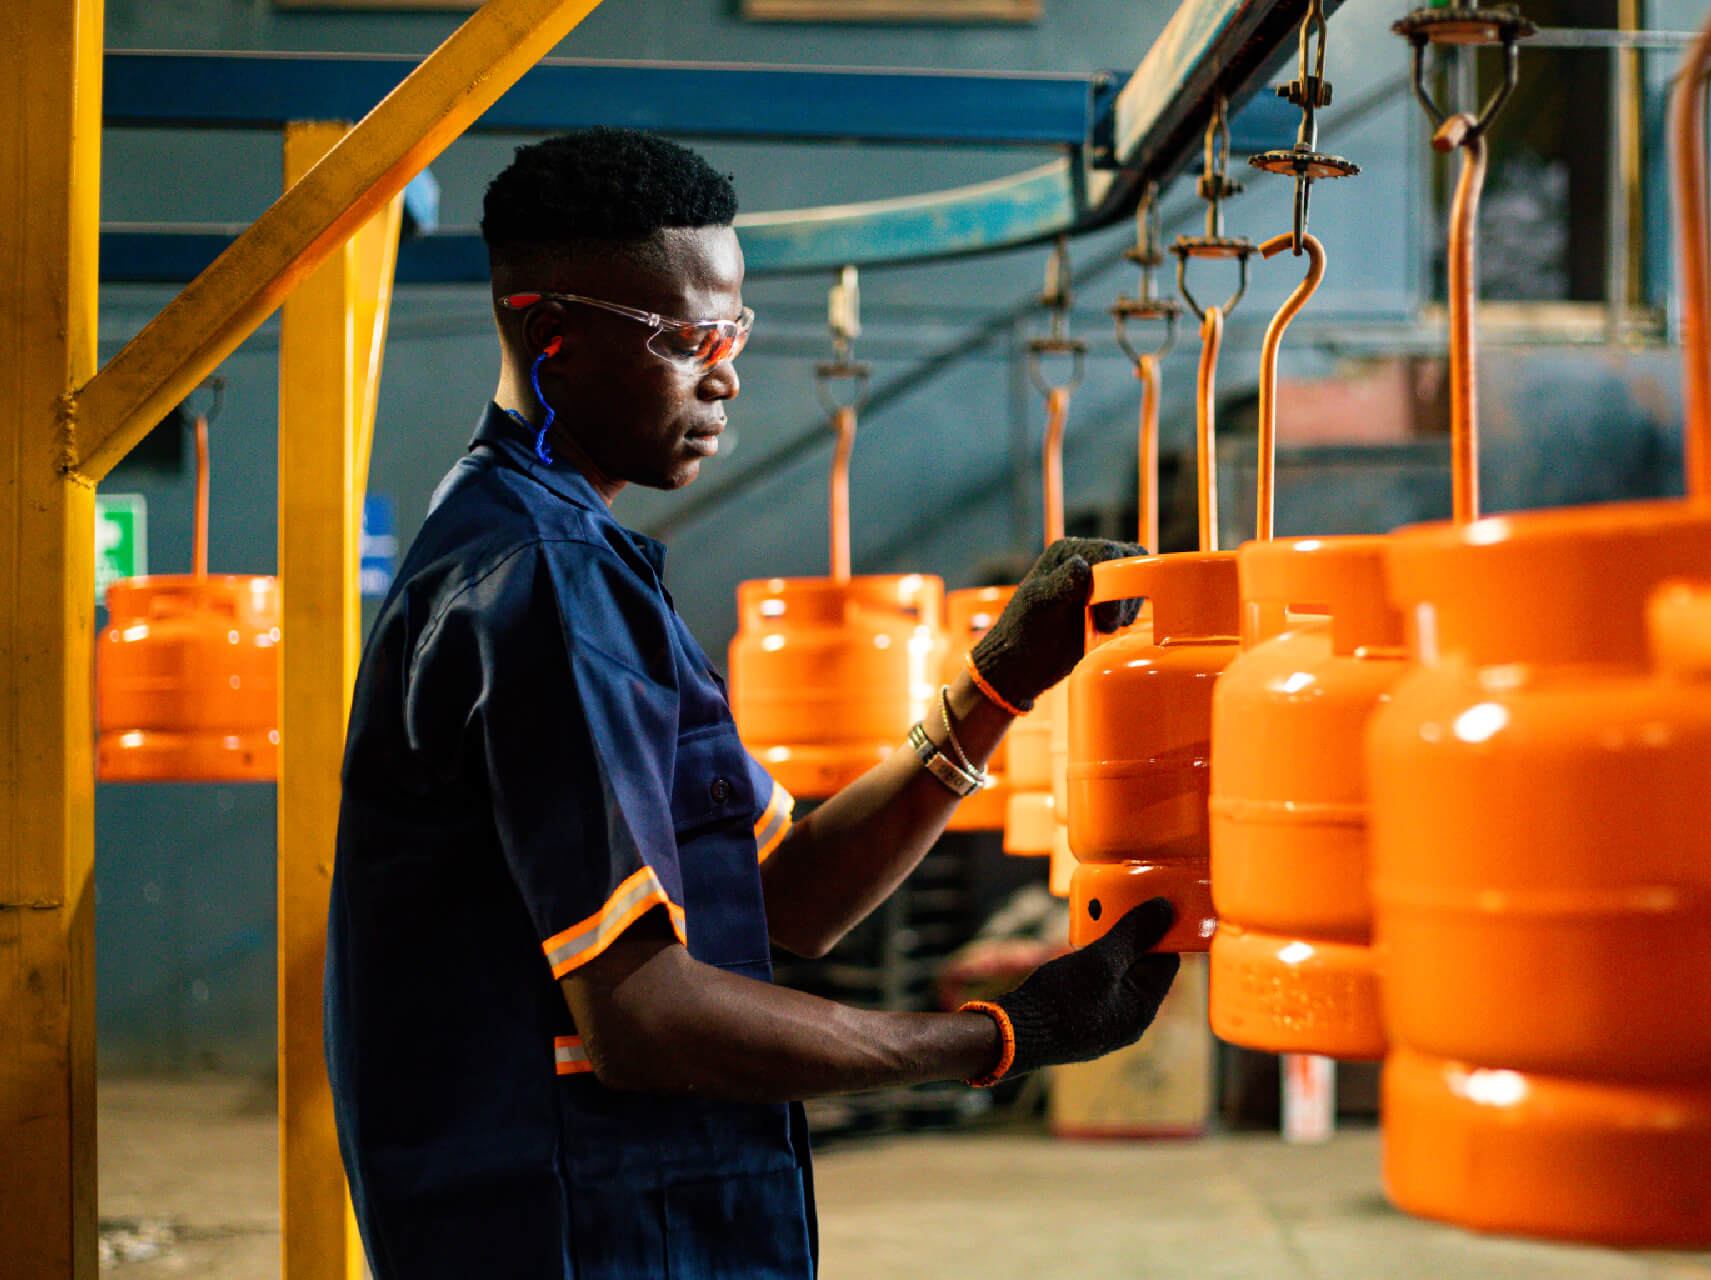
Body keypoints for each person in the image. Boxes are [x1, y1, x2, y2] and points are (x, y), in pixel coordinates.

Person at [324, 127, 1178, 1280]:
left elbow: (788, 890)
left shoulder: (573, 556)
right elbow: (644, 1017)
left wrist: (996, 685)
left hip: (635, 1212)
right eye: (688, 339)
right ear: (550, 337)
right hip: (572, 1229)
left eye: (736, 332)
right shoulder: (538, 582)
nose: (726, 372)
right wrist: (998, 1036)